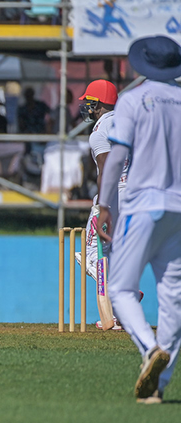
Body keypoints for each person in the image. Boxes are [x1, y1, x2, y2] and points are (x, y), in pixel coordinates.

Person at [98, 35, 181, 404]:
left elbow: (116, 159)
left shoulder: (132, 100)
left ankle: (149, 350)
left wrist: (103, 205)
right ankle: (158, 388)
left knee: (120, 288)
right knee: (173, 299)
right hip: (179, 209)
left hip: (142, 204)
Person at [73, 79, 131, 330]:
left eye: (88, 102)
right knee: (118, 254)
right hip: (137, 194)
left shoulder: (101, 130)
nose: (86, 106)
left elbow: (106, 170)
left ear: (97, 104)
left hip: (114, 194)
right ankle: (119, 312)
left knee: (92, 257)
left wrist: (103, 205)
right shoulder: (130, 122)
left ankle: (120, 295)